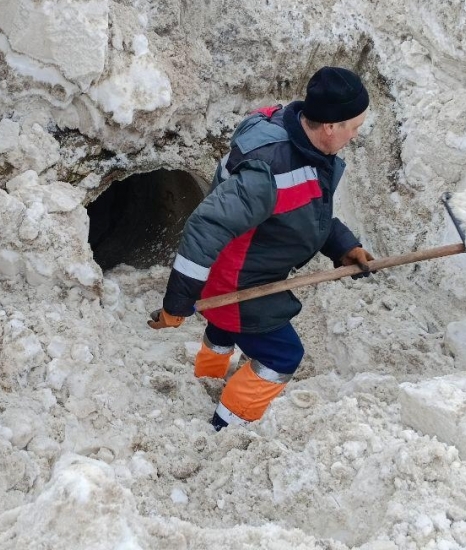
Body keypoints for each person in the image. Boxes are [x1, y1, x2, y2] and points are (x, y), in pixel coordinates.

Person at [147, 66, 375, 430]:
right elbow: (205, 228)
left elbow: (305, 210)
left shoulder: (300, 141)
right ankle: (227, 425)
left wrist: (343, 245)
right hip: (237, 282)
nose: (356, 134)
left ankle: (206, 377)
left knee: (222, 331)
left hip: (246, 269)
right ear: (331, 127)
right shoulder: (267, 172)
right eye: (355, 126)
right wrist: (176, 304)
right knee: (282, 355)